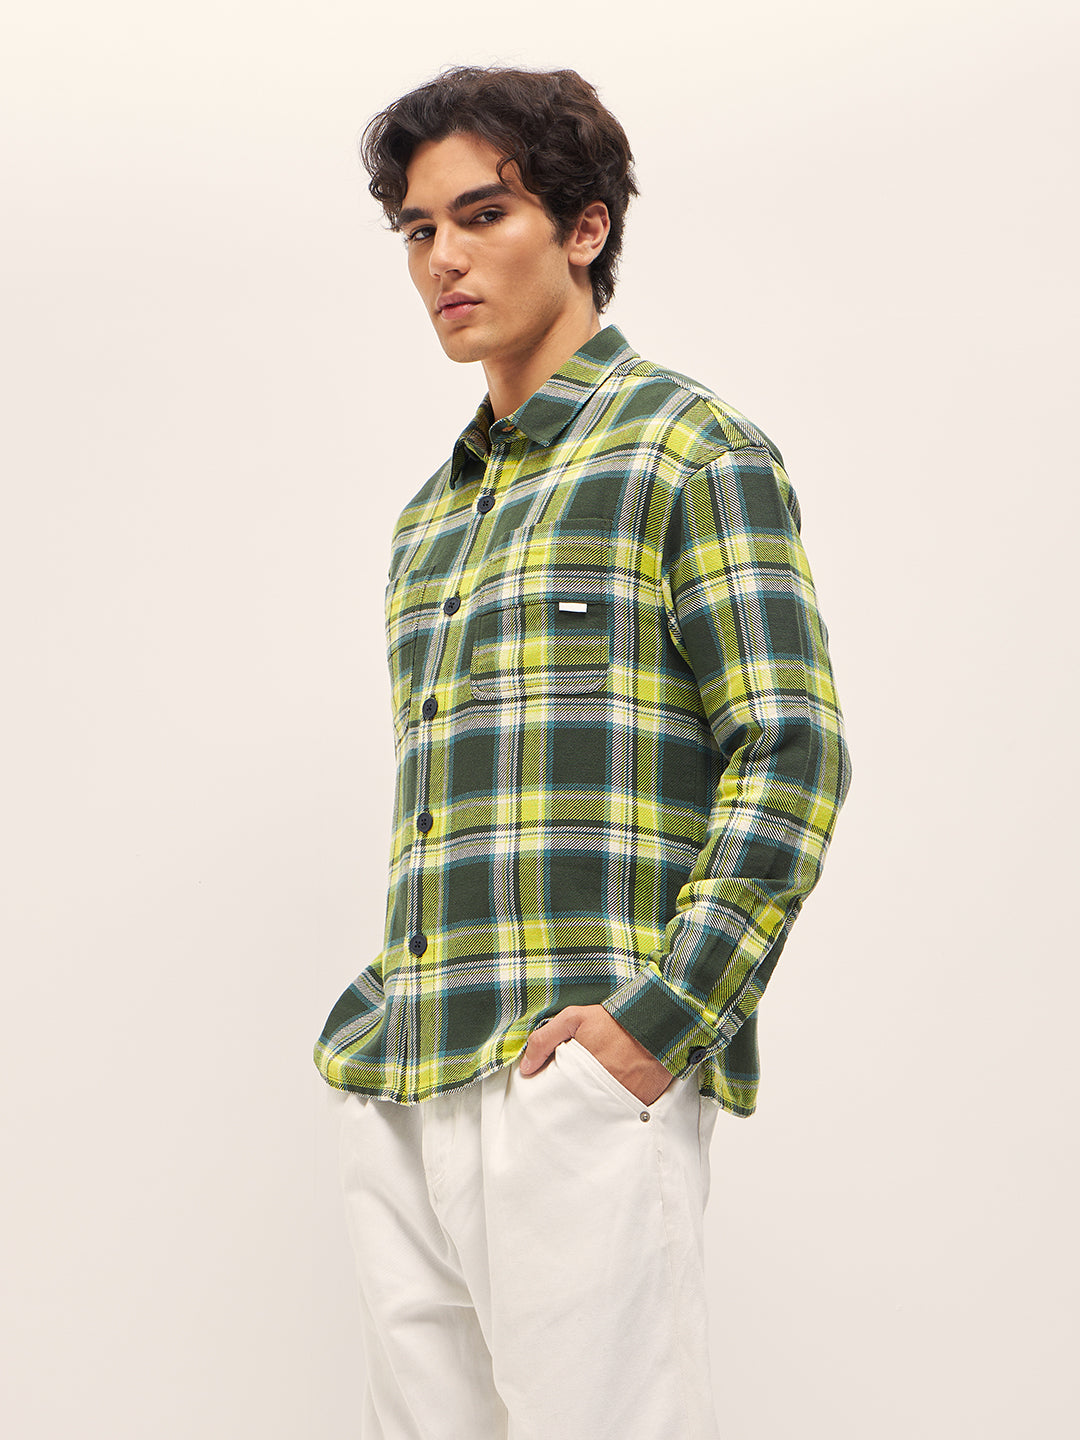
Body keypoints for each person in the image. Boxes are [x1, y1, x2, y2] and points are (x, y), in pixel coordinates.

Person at [314, 64, 851, 1440]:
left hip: (578, 1077)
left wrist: (659, 1026)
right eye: (417, 230)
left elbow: (790, 752)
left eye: (481, 214)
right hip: (409, 1074)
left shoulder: (689, 450)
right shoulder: (427, 522)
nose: (441, 259)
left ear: (585, 227)